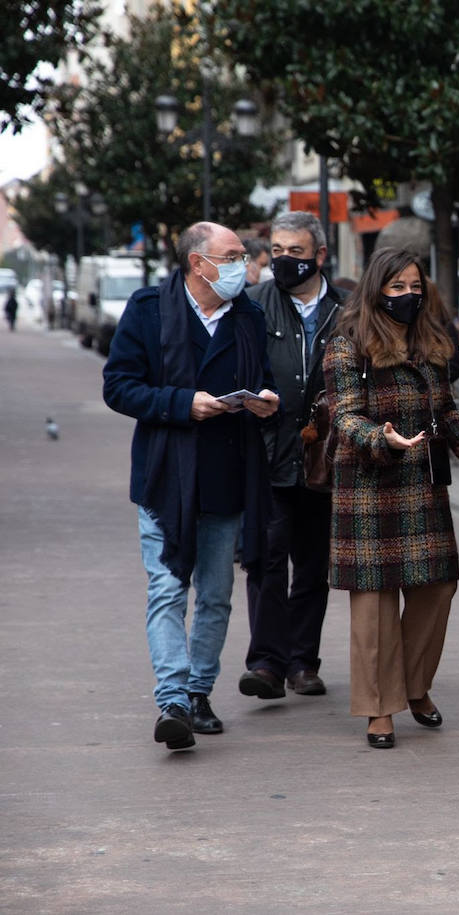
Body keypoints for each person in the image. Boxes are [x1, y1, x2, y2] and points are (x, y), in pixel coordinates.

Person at [102, 222, 280, 750]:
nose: (242, 264)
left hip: (227, 474)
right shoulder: (149, 309)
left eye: (243, 255)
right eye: (231, 256)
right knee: (166, 589)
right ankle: (173, 700)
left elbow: (264, 378)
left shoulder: (247, 314)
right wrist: (184, 404)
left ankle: (199, 691)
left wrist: (267, 404)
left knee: (217, 595)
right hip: (165, 476)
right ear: (198, 263)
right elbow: (119, 386)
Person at [323, 247, 459, 748]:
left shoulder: (431, 341)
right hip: (368, 490)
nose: (408, 295)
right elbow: (345, 416)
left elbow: (445, 409)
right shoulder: (347, 343)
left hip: (422, 487)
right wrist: (382, 439)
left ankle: (415, 686)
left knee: (436, 590)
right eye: (397, 287)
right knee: (373, 605)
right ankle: (379, 709)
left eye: (415, 286)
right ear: (378, 289)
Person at [240, 212, 345, 701]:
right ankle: (266, 664)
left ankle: (303, 663)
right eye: (277, 252)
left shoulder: (346, 311)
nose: (284, 261)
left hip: (325, 459)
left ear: (320, 256)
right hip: (268, 454)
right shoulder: (255, 305)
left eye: (295, 253)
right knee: (265, 559)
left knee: (311, 564)